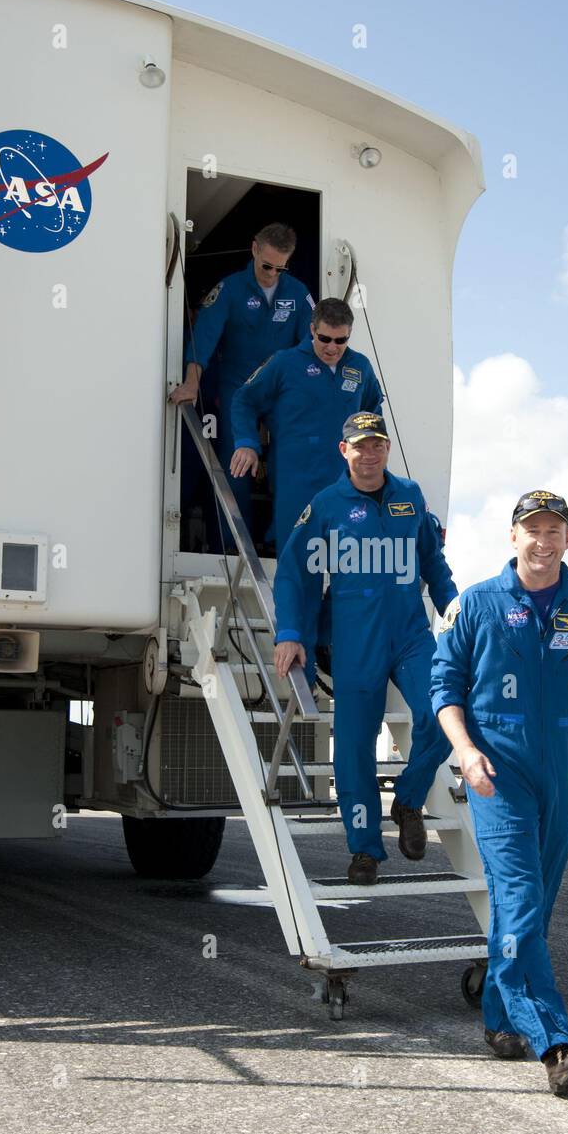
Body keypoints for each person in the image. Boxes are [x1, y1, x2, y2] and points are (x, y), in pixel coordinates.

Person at [430, 489, 568, 1095]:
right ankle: (556, 1047)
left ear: (567, 539)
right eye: (531, 529)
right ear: (514, 538)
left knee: (534, 903)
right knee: (522, 895)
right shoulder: (476, 604)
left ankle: (501, 1020)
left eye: (553, 529)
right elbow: (442, 687)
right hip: (496, 770)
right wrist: (464, 749)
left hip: (560, 766)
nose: (542, 539)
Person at [273, 413, 457, 883]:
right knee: (353, 748)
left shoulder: (410, 497)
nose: (369, 454)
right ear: (344, 451)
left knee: (443, 715)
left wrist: (455, 612)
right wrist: (292, 632)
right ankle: (364, 850)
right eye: (360, 445)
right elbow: (296, 571)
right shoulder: (328, 505)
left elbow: (433, 564)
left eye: (377, 444)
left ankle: (409, 801)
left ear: (387, 448)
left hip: (412, 635)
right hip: (356, 640)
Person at [170, 222, 314, 538]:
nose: (272, 273)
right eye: (267, 265)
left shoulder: (299, 293)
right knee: (235, 459)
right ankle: (233, 541)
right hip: (238, 389)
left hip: (281, 388)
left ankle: (286, 534)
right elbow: (203, 339)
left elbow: (312, 346)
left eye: (281, 268)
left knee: (293, 450)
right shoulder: (230, 289)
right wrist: (192, 383)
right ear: (254, 249)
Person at [229, 298, 383, 553]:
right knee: (296, 561)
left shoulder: (361, 367)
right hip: (296, 479)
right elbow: (244, 400)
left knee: (351, 563)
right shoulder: (284, 363)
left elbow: (372, 413)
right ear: (312, 330)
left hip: (346, 482)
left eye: (340, 340)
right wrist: (246, 443)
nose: (332, 348)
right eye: (325, 339)